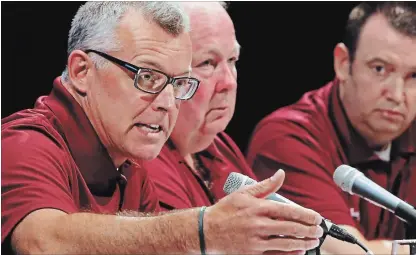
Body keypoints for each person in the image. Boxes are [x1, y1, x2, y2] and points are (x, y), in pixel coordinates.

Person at [2, 2, 325, 254]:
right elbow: (43, 243)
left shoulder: (129, 165)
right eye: (148, 77)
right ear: (82, 70)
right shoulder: (23, 144)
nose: (168, 103)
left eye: (178, 83)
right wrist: (203, 231)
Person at [246, 2, 416, 255]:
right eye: (380, 69)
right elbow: (348, 252)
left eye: (415, 76)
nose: (397, 94)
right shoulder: (286, 138)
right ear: (343, 63)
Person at [140, 2, 257, 210]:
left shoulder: (218, 143)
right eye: (207, 63)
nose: (229, 83)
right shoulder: (144, 159)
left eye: (232, 60)